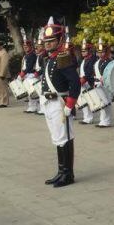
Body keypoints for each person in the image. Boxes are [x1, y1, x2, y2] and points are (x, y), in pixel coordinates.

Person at [39, 18, 80, 188]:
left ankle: (68, 174)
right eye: (46, 42)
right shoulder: (48, 58)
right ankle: (61, 171)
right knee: (57, 138)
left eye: (51, 41)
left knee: (64, 138)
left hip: (60, 103)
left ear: (59, 40)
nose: (48, 45)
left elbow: (75, 83)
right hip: (49, 103)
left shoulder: (63, 58)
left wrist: (70, 104)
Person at [93, 38, 114, 128]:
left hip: (106, 84)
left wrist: (103, 80)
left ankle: (107, 120)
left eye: (102, 52)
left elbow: (110, 73)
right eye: (99, 52)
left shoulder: (109, 61)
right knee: (101, 103)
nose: (100, 54)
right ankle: (103, 120)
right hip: (98, 84)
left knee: (107, 102)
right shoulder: (97, 62)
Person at [77, 38, 98, 125]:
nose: (83, 52)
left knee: (90, 100)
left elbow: (90, 71)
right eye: (82, 51)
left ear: (89, 51)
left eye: (85, 51)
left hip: (88, 82)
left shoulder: (92, 59)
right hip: (82, 81)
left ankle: (89, 118)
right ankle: (86, 117)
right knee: (83, 100)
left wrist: (84, 79)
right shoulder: (83, 60)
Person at [18, 39, 39, 113]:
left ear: (30, 47)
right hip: (26, 75)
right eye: (24, 46)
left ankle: (34, 107)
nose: (25, 47)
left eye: (27, 46)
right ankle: (31, 106)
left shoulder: (32, 55)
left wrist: (22, 74)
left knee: (32, 92)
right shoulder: (27, 55)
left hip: (30, 74)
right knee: (29, 92)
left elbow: (29, 67)